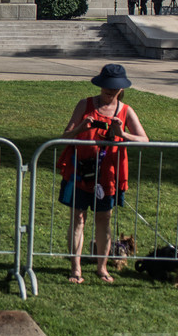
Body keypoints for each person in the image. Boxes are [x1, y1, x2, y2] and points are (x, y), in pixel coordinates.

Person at [58, 64, 149, 284]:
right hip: (81, 171)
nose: (109, 93)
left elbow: (145, 139)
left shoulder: (126, 110)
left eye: (113, 90)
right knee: (78, 219)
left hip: (107, 175)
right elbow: (66, 134)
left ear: (121, 89)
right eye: (106, 89)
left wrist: (121, 133)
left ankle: (102, 267)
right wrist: (81, 127)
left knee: (104, 220)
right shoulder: (85, 104)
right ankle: (76, 268)